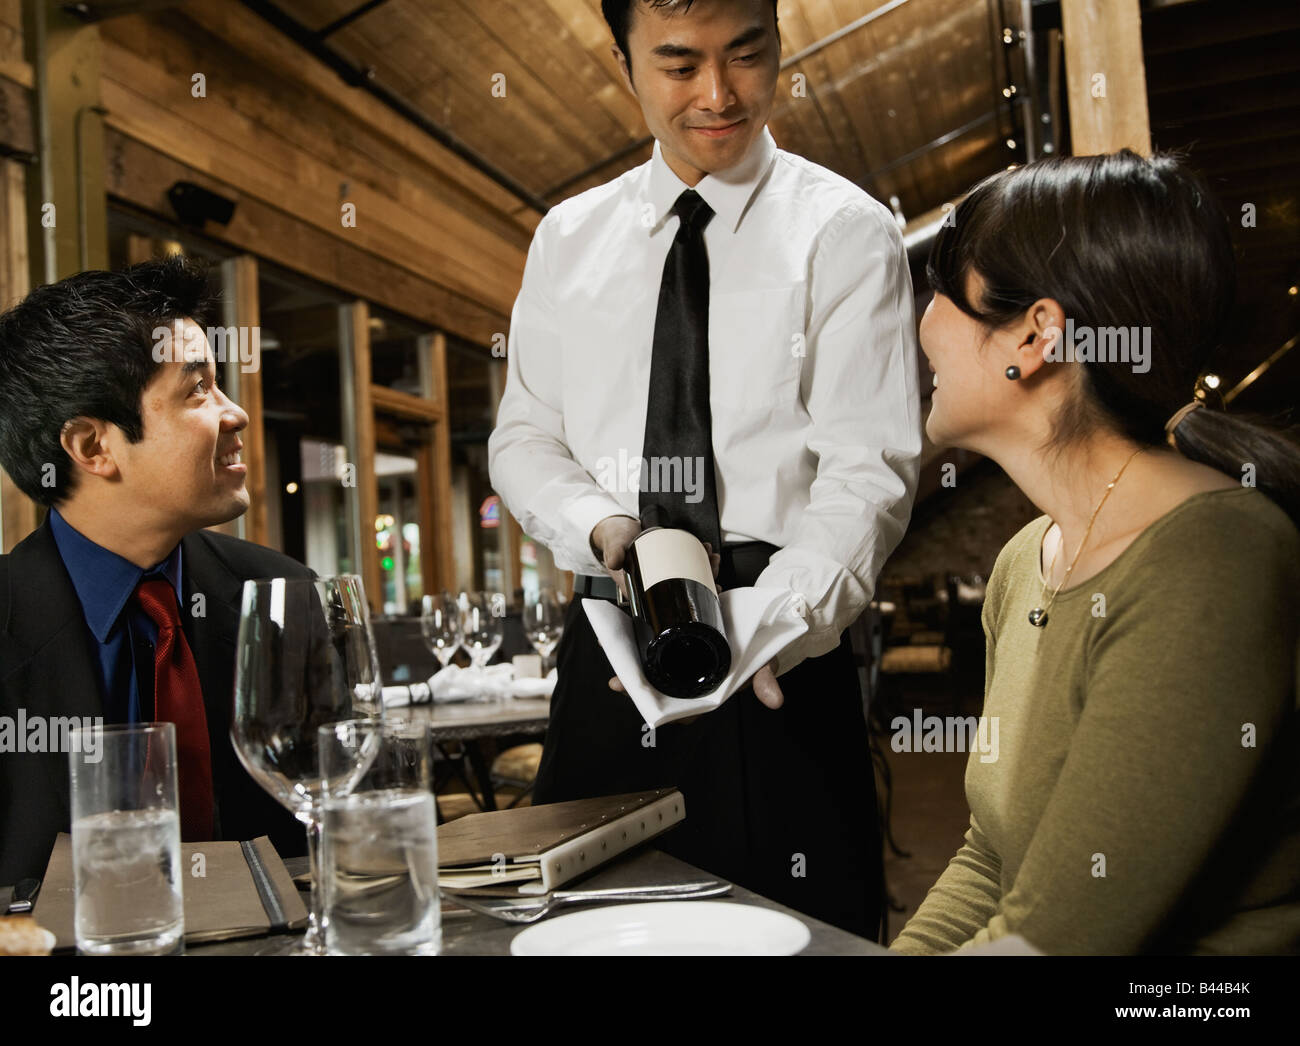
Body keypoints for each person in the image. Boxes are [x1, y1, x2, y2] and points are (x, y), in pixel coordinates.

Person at [488, 0, 922, 939]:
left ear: (779, 44)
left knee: (803, 932)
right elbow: (524, 439)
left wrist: (769, 626)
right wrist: (608, 532)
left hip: (782, 653)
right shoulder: (567, 238)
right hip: (610, 642)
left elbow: (868, 472)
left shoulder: (846, 231)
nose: (719, 95)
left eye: (747, 56)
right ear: (625, 61)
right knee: (587, 933)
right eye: (680, 65)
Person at [890, 149, 1300, 954]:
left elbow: (1052, 941)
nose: (924, 322)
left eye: (943, 291)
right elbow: (991, 862)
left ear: (1036, 336)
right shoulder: (1023, 561)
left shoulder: (1215, 556)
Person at [0, 256, 309, 885]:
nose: (236, 414)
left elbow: (340, 826)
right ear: (93, 447)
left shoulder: (283, 598)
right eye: (197, 389)